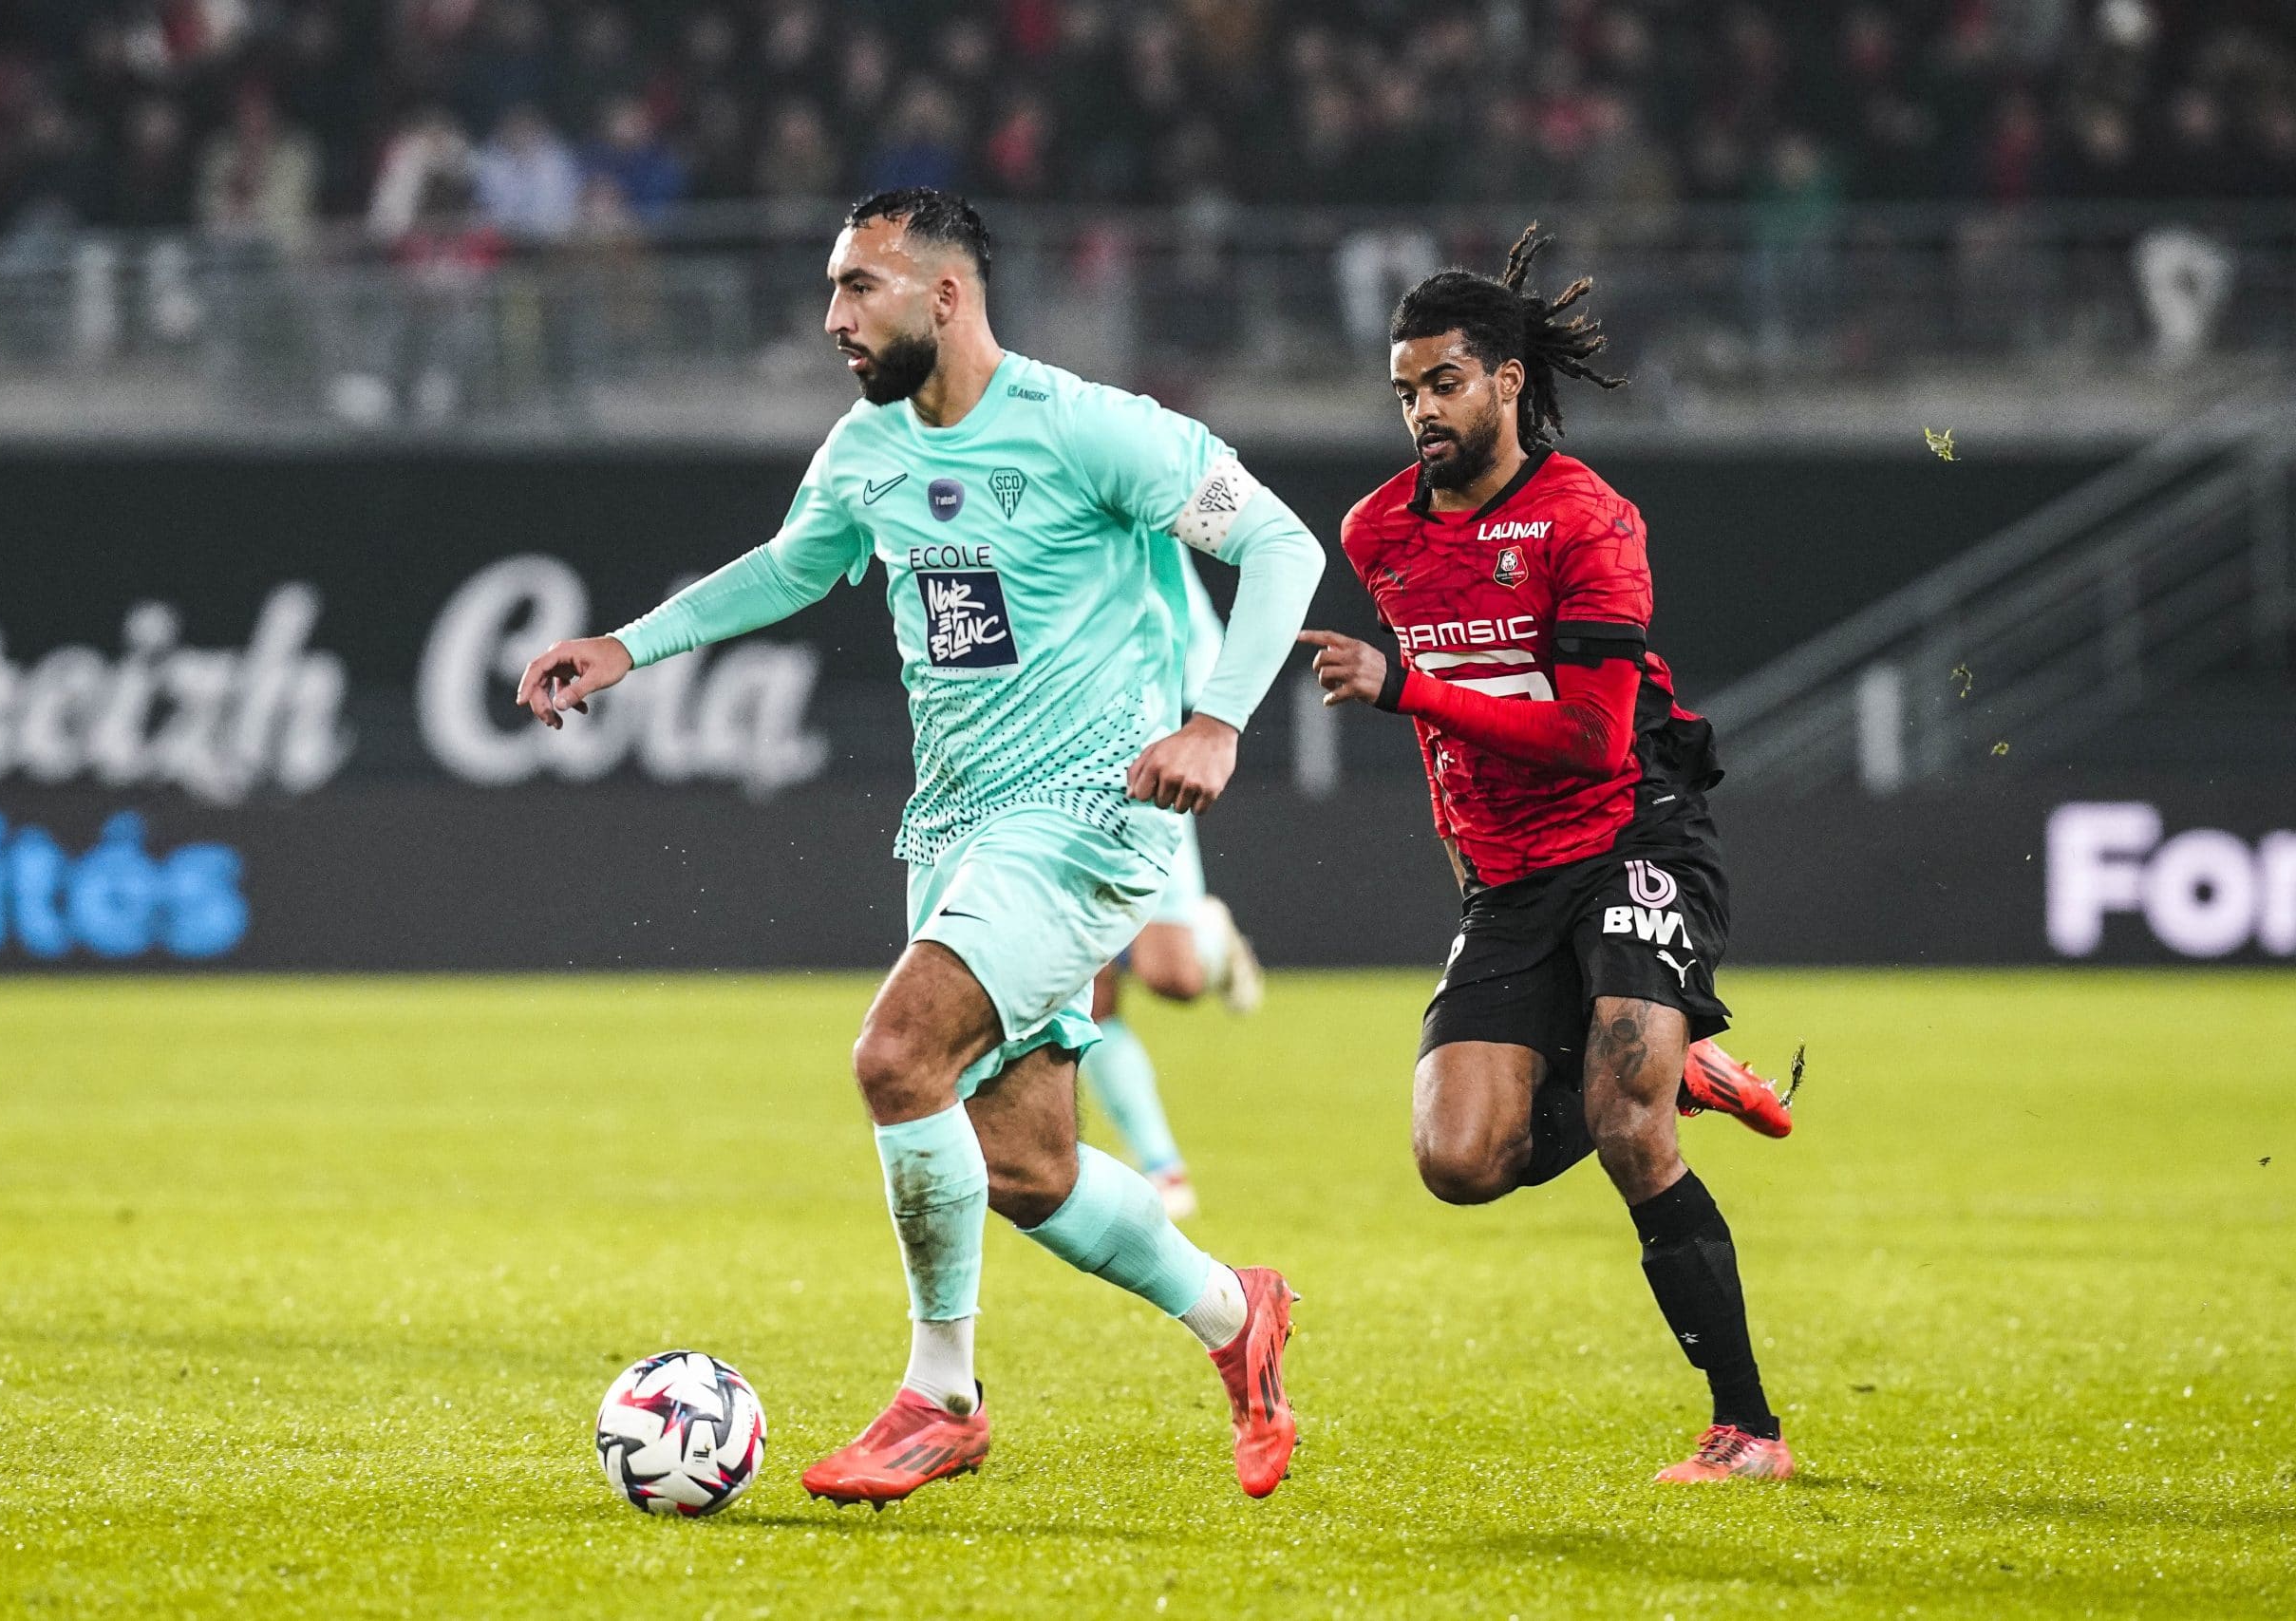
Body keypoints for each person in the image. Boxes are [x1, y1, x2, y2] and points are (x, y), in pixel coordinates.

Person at [516, 188, 1325, 1507]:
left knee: (896, 1056)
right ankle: (1238, 1311)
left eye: (859, 287)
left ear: (945, 296)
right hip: (952, 824)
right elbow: (790, 564)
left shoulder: (1088, 428)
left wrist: (1219, 719)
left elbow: (1283, 544)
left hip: (1081, 813)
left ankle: (940, 1396)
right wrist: (625, 646)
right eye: (834, 290)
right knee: (1027, 1166)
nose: (834, 317)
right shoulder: (865, 447)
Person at [1298, 226, 1795, 1482]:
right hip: (1512, 876)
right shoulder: (1379, 532)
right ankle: (1674, 1060)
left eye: (1444, 383)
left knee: (1626, 1125)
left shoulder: (1588, 519)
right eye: (1405, 389)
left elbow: (1585, 735)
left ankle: (1748, 1427)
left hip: (1634, 826)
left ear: (1508, 380)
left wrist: (1407, 684)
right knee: (1460, 1161)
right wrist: (1467, 861)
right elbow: (1452, 751)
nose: (1421, 409)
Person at [1080, 558, 1268, 1221]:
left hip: (1137, 779)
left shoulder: (1139, 524)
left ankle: (1211, 943)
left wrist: (1201, 727)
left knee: (1174, 978)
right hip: (1042, 781)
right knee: (1088, 989)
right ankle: (1160, 1164)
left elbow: (1204, 644)